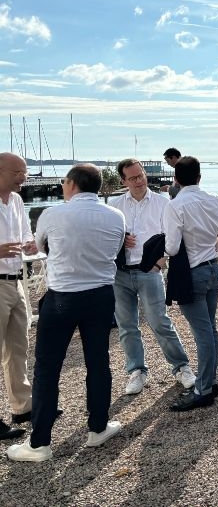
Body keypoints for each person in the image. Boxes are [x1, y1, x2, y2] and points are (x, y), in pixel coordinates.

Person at [7, 164, 125, 462]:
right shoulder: (116, 215)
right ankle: (97, 427)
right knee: (98, 361)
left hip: (63, 297)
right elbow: (117, 247)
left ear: (71, 184)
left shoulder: (53, 214)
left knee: (48, 368)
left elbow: (42, 245)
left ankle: (40, 442)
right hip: (101, 295)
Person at [164, 156, 218, 411]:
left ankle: (203, 389)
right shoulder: (215, 199)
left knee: (203, 333)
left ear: (176, 180)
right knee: (209, 329)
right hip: (214, 268)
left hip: (192, 273)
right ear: (199, 177)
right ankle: (209, 381)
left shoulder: (176, 205)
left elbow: (171, 247)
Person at [109, 159, 196, 396]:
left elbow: (171, 235)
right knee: (127, 326)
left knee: (160, 321)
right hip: (121, 272)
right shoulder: (114, 205)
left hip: (149, 270)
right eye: (133, 178)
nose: (139, 181)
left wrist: (160, 262)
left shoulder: (162, 203)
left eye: (141, 175)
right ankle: (137, 371)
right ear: (123, 181)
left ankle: (181, 366)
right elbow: (105, 237)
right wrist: (120, 239)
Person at [0, 152, 36, 441]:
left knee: (18, 347)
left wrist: (33, 245)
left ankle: (22, 406)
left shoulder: (17, 201)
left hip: (16, 282)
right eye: (19, 172)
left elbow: (26, 237)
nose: (24, 176)